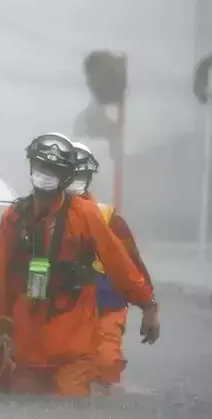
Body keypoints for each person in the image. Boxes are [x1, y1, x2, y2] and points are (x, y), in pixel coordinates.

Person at [0, 132, 160, 397]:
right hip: (27, 340)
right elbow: (0, 277)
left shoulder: (86, 214)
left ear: (65, 176)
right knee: (23, 405)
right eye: (41, 167)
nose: (44, 175)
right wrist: (0, 327)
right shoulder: (14, 217)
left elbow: (119, 264)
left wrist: (147, 304)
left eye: (52, 170)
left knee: (72, 404)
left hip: (73, 337)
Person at [67, 142, 154, 392]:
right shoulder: (41, 216)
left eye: (79, 175)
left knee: (105, 364)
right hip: (65, 310)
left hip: (107, 307)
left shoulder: (106, 217)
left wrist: (149, 307)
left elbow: (133, 264)